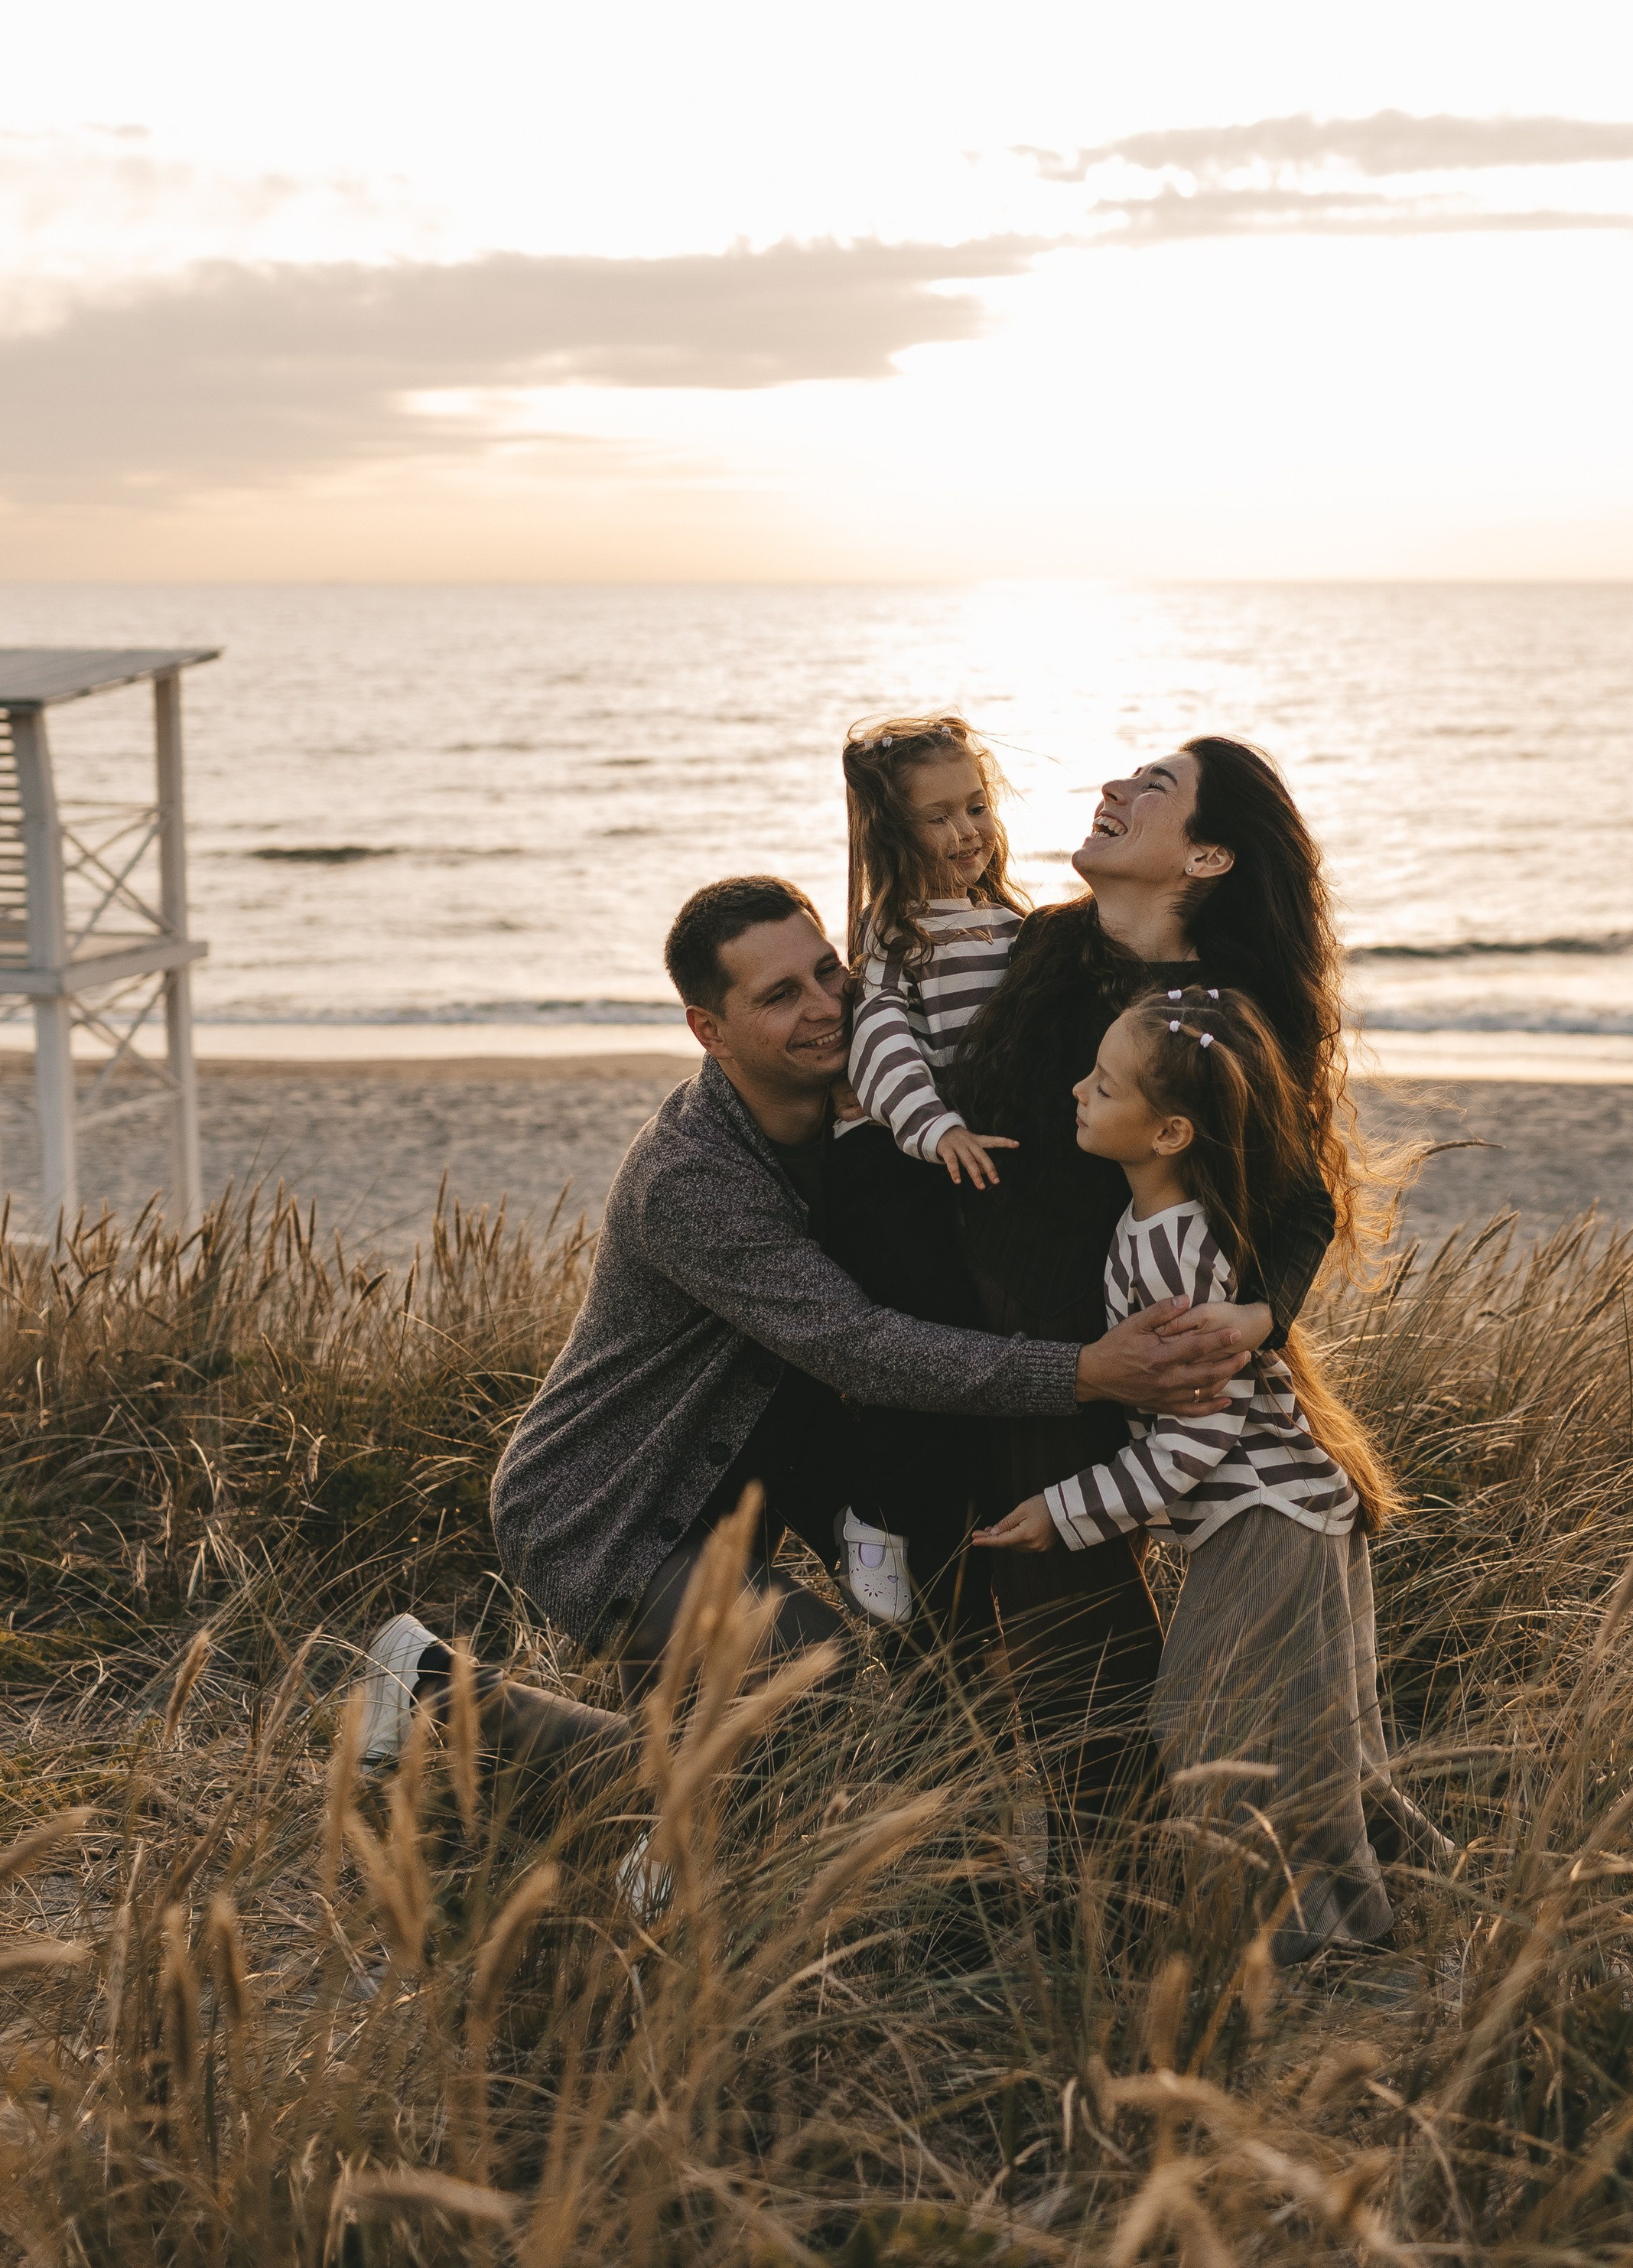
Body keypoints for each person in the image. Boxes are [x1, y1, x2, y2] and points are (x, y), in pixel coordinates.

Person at [351, 874, 1247, 1792]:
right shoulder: (693, 1182)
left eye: (830, 974)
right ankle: (431, 1691)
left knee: (741, 1757)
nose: (826, 1009)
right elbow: (856, 1344)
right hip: (604, 1508)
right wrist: (1086, 1373)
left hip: (742, 1485)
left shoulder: (864, 1115)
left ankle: (597, 1859)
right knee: (805, 1683)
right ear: (710, 1031)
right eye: (782, 996)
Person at [948, 737, 1370, 1846]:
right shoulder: (1040, 950)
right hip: (991, 1365)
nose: (1114, 790)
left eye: (1155, 788)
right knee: (993, 1675)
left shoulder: (1228, 1018)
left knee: (1132, 1707)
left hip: (1137, 1381)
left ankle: (1162, 1924)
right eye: (1124, 776)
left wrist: (1261, 1313)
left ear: (1211, 856)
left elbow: (1302, 1201)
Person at [973, 989, 1406, 1958]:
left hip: (1267, 1512)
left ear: (1168, 1130)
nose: (1077, 1091)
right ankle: (1369, 1908)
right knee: (1314, 1725)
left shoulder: (1176, 1249)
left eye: (1103, 1083)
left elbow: (1195, 1439)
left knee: (1211, 1733)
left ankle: (1308, 1940)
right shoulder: (1158, 1222)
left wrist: (1064, 1511)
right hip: (1278, 1507)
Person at [828, 714, 1028, 1619]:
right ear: (890, 837)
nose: (965, 832)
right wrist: (933, 1127)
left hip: (1000, 1165)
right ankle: (879, 1523)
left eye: (976, 806)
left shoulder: (1013, 923)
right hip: (941, 1158)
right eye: (936, 818)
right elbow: (884, 1050)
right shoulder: (898, 937)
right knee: (932, 1366)